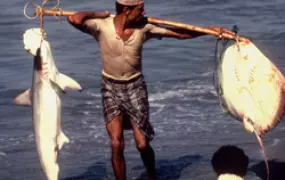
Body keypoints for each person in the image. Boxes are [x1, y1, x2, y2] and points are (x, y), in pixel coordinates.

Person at [66, 0, 236, 179]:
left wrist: (210, 30)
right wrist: (100, 14)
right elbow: (74, 19)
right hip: (110, 87)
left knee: (142, 143)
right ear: (126, 10)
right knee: (116, 143)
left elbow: (179, 34)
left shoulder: (145, 28)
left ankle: (152, 176)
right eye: (140, 9)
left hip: (135, 86)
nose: (144, 11)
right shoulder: (101, 26)